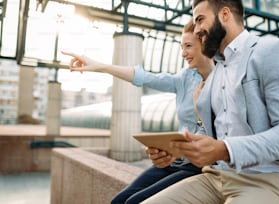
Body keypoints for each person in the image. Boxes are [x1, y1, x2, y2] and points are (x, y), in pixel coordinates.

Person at [141, 0, 279, 203]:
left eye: (200, 20)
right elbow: (213, 134)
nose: (198, 29)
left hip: (269, 180)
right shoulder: (215, 72)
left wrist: (225, 149)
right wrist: (177, 151)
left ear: (225, 14)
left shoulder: (273, 50)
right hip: (216, 177)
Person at [62, 20, 215, 204]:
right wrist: (100, 66)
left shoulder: (222, 81)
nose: (183, 53)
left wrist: (179, 148)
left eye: (188, 46)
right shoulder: (185, 77)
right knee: (118, 201)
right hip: (174, 162)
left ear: (205, 43)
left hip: (198, 166)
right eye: (182, 46)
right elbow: (144, 77)